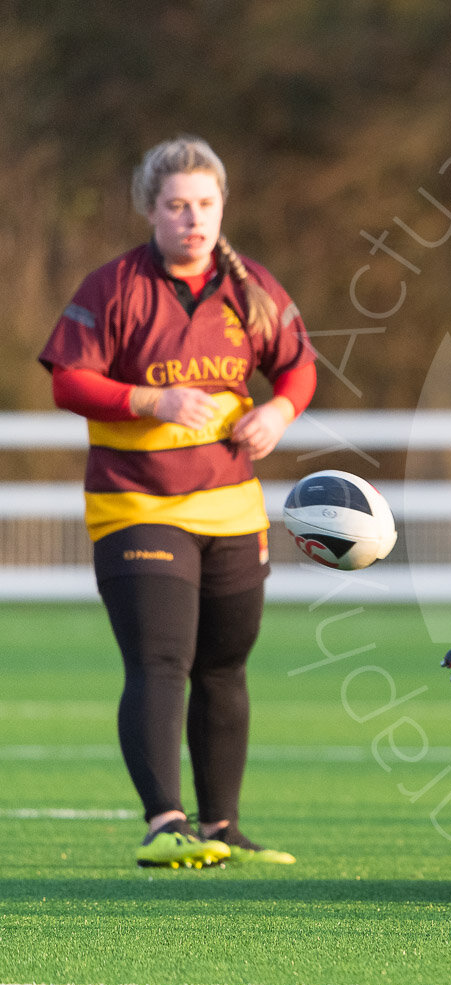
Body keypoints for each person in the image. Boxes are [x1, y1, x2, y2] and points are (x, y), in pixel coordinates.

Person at [38, 135, 315, 868]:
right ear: (150, 210)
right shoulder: (113, 287)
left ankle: (222, 829)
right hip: (137, 505)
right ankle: (167, 823)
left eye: (205, 204)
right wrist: (148, 398)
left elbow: (298, 370)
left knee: (225, 665)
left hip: (231, 505)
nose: (193, 218)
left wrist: (279, 413)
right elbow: (68, 381)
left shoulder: (252, 287)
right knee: (162, 659)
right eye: (176, 205)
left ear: (222, 207)